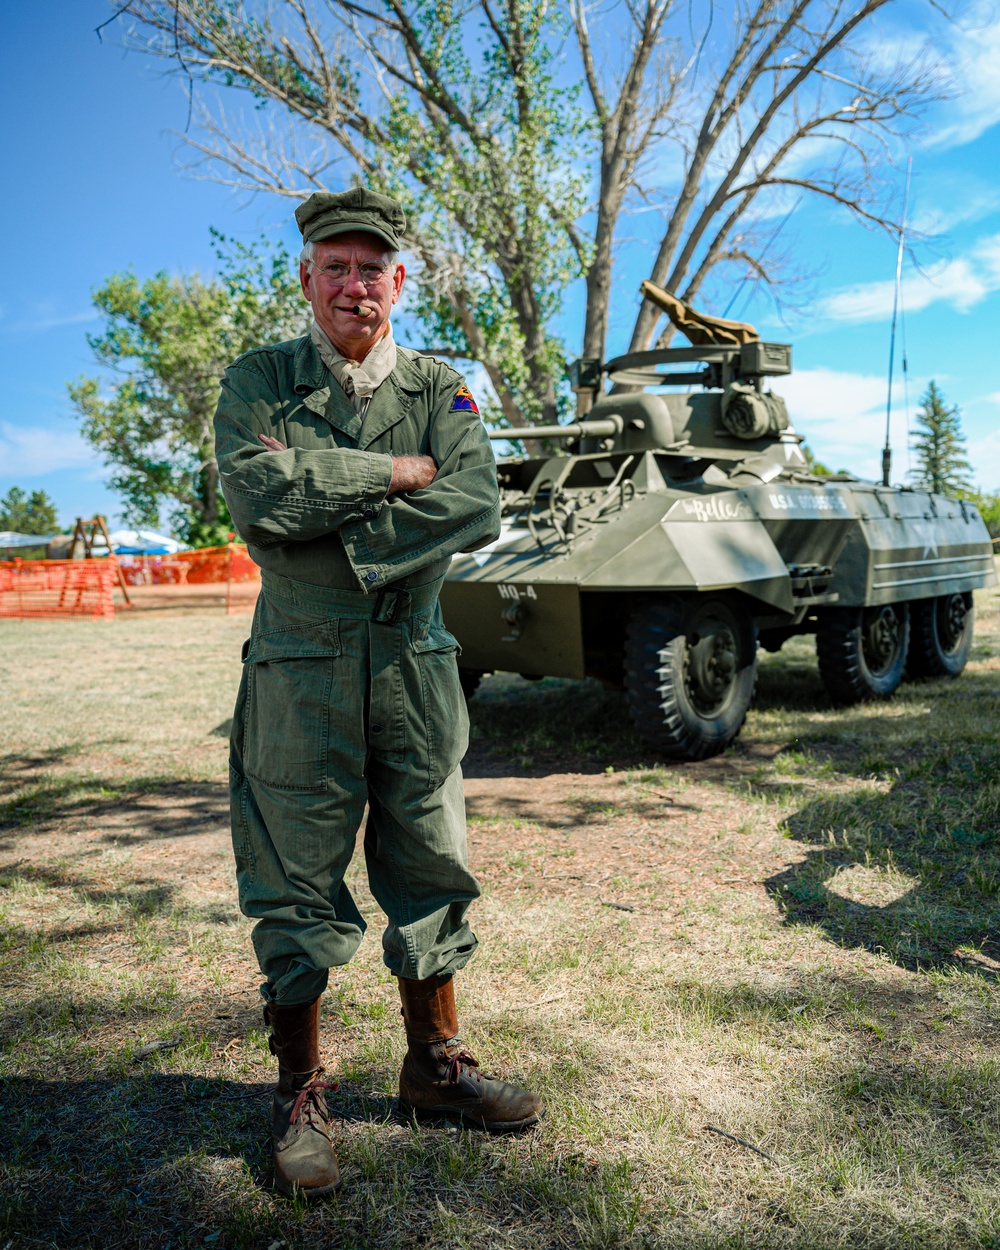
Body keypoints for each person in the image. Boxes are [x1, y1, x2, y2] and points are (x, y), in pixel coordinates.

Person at [214, 187, 544, 1199]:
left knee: (430, 857)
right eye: (336, 265)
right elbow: (256, 496)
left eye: (373, 266)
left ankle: (431, 1063)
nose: (354, 283)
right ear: (306, 277)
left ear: (401, 280)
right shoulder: (259, 381)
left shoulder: (446, 388)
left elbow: (475, 498)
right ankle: (300, 1086)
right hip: (298, 666)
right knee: (293, 870)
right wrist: (397, 473)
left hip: (413, 660)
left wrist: (332, 504)